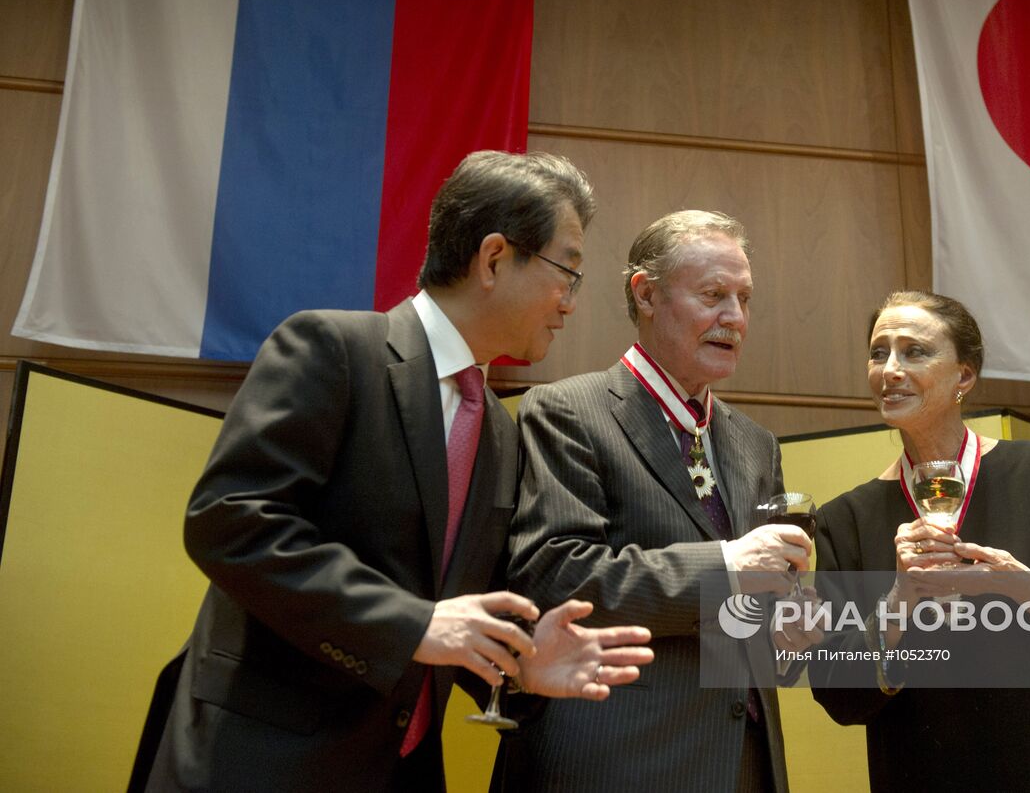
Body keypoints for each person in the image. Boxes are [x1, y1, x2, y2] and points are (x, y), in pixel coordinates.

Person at [130, 152, 654, 793]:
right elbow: (232, 520)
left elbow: (459, 605)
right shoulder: (333, 349)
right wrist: (413, 624)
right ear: (493, 259)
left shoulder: (497, 426)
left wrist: (519, 664)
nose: (570, 302)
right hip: (262, 759)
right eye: (566, 270)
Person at [491, 209, 821, 793]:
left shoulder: (755, 443)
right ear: (645, 294)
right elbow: (553, 574)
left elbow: (751, 616)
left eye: (745, 299)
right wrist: (725, 567)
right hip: (615, 757)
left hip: (744, 760)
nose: (735, 318)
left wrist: (788, 622)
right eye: (714, 295)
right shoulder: (568, 411)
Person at [809, 290, 1030, 791]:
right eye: (879, 352)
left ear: (964, 376)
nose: (890, 369)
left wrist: (1027, 590)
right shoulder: (845, 519)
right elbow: (837, 694)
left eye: (915, 351)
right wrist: (898, 605)